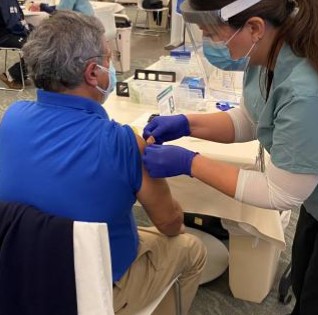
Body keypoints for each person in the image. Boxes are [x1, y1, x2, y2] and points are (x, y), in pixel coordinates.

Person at [141, 0, 318, 314]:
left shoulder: (312, 87)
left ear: (255, 27)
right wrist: (187, 123)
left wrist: (189, 162)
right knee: (308, 286)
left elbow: (281, 191)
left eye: (212, 34)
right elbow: (252, 118)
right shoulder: (274, 48)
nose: (210, 44)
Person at [0, 11, 206, 315]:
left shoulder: (12, 117)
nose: (112, 68)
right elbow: (170, 223)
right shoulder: (123, 142)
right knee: (191, 249)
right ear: (92, 73)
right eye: (109, 60)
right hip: (88, 292)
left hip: (19, 273)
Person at [0, 0, 31, 89]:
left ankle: (21, 74)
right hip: (5, 36)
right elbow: (14, 25)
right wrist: (28, 31)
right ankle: (11, 75)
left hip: (9, 33)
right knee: (36, 46)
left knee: (39, 41)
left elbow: (19, 20)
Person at [28, 0, 94, 16]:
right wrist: (41, 7)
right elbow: (61, 8)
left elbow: (60, 14)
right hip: (88, 24)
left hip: (83, 26)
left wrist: (42, 6)